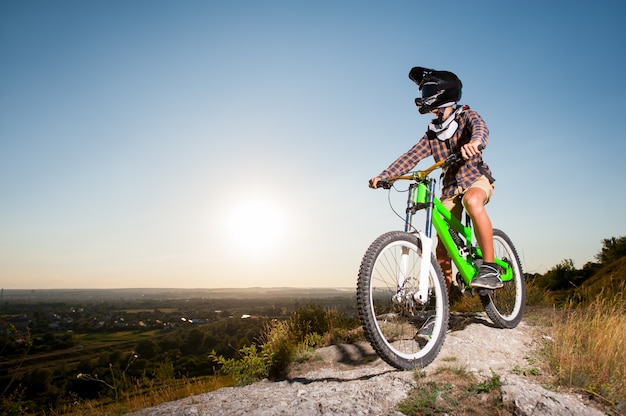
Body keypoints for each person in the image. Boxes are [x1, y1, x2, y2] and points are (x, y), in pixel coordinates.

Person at [369, 66, 503, 292]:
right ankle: (446, 299)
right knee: (443, 244)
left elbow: (481, 129)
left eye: (428, 92)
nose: (426, 101)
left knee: (472, 201)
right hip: (450, 189)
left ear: (444, 94)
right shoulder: (432, 133)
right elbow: (411, 156)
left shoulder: (466, 116)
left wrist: (475, 143)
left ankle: (489, 268)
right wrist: (385, 175)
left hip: (475, 178)